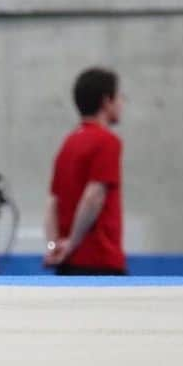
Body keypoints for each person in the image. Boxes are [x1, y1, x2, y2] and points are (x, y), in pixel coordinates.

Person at [43, 67, 127, 275]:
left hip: (68, 263)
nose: (122, 103)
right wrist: (72, 243)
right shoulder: (107, 142)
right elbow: (94, 196)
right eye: (119, 97)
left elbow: (52, 202)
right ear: (107, 101)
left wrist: (54, 247)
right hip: (99, 260)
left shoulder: (69, 143)